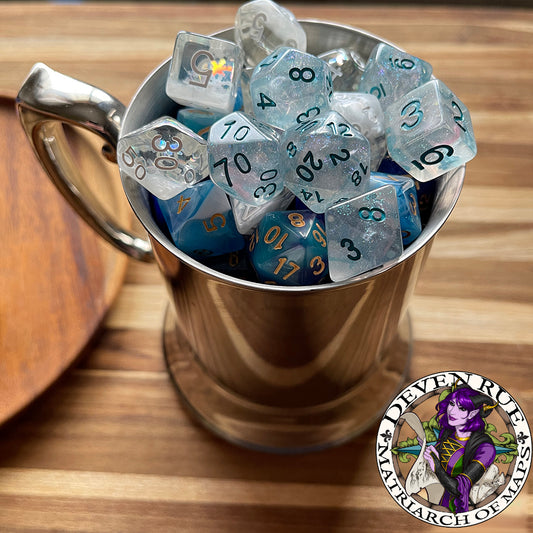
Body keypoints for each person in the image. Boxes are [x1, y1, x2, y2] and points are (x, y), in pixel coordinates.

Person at [423, 382, 497, 513]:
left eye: (462, 408)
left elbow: (459, 489)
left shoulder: (485, 448)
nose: (452, 411)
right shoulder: (447, 434)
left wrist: (436, 466)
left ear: (472, 414)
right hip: (438, 502)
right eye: (452, 404)